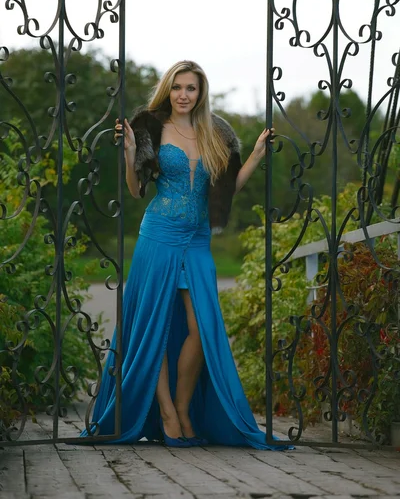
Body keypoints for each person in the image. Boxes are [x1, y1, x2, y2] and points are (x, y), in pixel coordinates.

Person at [80, 60, 287, 450]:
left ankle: (183, 405)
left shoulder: (216, 133)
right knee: (151, 323)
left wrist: (257, 155)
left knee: (200, 327)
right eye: (177, 87)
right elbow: (137, 188)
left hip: (197, 241)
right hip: (158, 235)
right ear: (168, 90)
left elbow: (226, 191)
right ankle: (169, 414)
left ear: (200, 93)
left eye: (190, 88)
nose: (183, 95)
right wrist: (128, 152)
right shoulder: (151, 128)